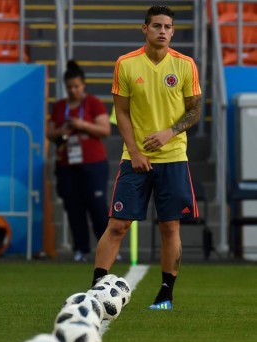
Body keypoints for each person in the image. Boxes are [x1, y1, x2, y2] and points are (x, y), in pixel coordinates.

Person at [91, 5, 202, 310]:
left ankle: (166, 293)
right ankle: (95, 289)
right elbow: (121, 113)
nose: (163, 31)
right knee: (117, 225)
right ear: (145, 29)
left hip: (174, 157)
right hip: (135, 159)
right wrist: (136, 151)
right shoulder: (126, 64)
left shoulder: (185, 65)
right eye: (156, 26)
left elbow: (194, 110)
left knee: (170, 227)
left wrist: (169, 132)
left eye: (167, 27)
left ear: (172, 31)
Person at [47, 60, 111, 262]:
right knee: (74, 208)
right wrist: (62, 131)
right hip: (67, 164)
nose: (73, 90)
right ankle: (81, 250)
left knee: (97, 207)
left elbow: (105, 130)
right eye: (69, 87)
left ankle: (108, 250)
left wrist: (82, 124)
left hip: (93, 164)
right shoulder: (59, 107)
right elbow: (50, 133)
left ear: (83, 85)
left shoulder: (93, 103)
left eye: (76, 86)